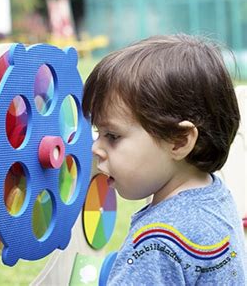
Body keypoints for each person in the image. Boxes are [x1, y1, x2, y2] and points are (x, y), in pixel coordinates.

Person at [82, 34, 246, 284]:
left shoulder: (156, 245)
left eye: (112, 136)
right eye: (98, 133)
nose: (96, 148)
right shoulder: (215, 195)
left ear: (179, 141)